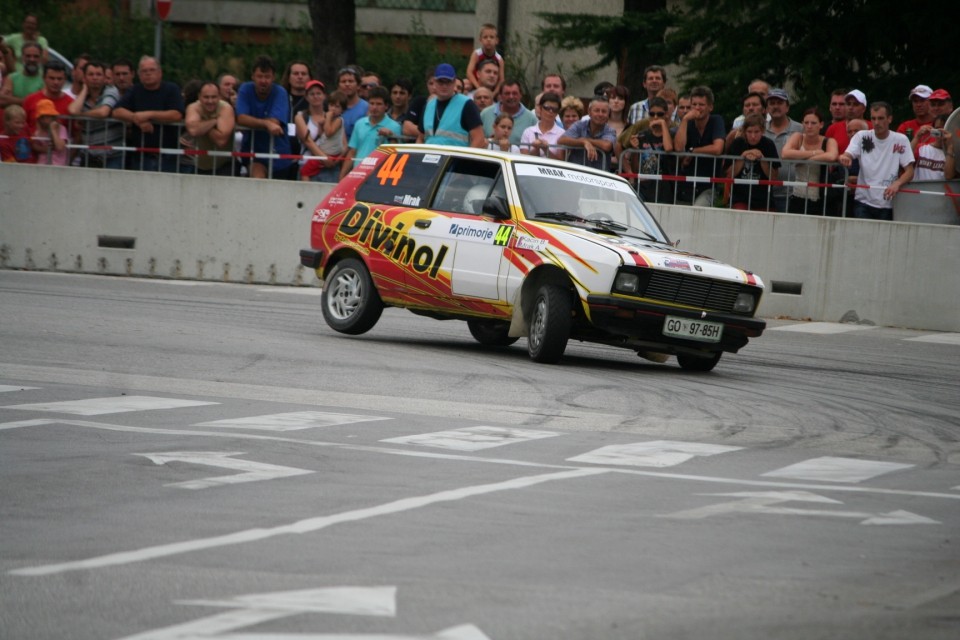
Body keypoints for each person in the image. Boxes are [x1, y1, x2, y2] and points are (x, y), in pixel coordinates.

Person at [839, 101, 915, 221]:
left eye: (880, 118)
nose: (876, 122)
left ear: (889, 119)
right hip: (863, 200)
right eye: (873, 118)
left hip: (888, 202)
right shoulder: (861, 136)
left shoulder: (901, 139)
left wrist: (897, 183)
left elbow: (909, 171)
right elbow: (848, 153)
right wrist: (845, 157)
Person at [112, 56, 184, 172]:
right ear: (139, 75)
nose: (148, 74)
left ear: (160, 72)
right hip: (140, 154)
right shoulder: (135, 90)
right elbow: (116, 111)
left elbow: (176, 114)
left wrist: (148, 115)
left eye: (152, 70)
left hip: (167, 154)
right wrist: (136, 119)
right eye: (144, 71)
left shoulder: (171, 89)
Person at [234, 55, 294, 179]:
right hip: (253, 152)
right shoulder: (245, 89)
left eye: (267, 77)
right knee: (258, 179)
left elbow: (275, 121)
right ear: (253, 76)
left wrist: (254, 121)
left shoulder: (280, 92)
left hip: (278, 153)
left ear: (273, 78)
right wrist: (266, 124)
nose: (263, 81)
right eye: (260, 76)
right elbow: (241, 118)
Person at [673, 85, 726, 206]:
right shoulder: (688, 123)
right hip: (685, 184)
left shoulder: (716, 120)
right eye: (694, 104)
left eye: (701, 105)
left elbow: (717, 148)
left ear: (710, 107)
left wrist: (693, 151)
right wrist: (685, 120)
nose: (697, 108)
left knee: (698, 208)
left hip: (708, 185)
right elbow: (679, 148)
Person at [618, 96, 676, 203]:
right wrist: (635, 149)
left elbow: (668, 148)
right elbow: (636, 167)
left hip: (664, 187)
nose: (655, 117)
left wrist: (663, 124)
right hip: (644, 186)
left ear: (666, 115)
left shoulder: (671, 133)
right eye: (652, 114)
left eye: (660, 114)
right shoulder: (643, 135)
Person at [781, 107, 839, 214]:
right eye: (806, 123)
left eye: (813, 123)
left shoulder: (828, 141)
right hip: (798, 194)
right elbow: (785, 153)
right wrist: (814, 153)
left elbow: (832, 156)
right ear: (802, 124)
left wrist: (802, 158)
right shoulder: (798, 137)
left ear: (821, 125)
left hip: (821, 196)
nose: (809, 126)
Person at [68, 60, 124, 169]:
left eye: (99, 74)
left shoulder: (111, 91)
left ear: (104, 78)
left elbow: (103, 112)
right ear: (84, 78)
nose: (95, 78)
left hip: (112, 156)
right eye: (91, 74)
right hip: (89, 155)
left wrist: (82, 115)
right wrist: (84, 90)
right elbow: (73, 111)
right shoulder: (83, 96)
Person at [418, 62, 485, 148]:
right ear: (434, 82)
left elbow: (479, 139)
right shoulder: (429, 105)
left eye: (448, 82)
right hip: (429, 159)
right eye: (440, 82)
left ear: (454, 82)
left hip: (455, 160)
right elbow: (420, 138)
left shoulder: (466, 104)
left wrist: (464, 161)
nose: (444, 86)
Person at [340, 86, 401, 178]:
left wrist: (391, 136)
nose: (374, 107)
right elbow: (352, 152)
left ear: (386, 106)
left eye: (379, 104)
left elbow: (397, 155)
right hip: (358, 173)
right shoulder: (359, 124)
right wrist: (342, 177)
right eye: (371, 103)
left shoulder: (395, 127)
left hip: (380, 176)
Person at [725, 114, 780, 211]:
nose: (753, 136)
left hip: (764, 199)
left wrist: (762, 159)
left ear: (762, 131)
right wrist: (742, 157)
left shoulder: (768, 144)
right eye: (749, 132)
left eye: (756, 132)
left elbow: (774, 177)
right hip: (740, 198)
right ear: (744, 131)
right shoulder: (738, 143)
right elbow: (729, 175)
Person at [763, 87, 803, 212]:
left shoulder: (800, 129)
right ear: (767, 108)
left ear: (787, 107)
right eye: (772, 103)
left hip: (792, 192)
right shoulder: (759, 129)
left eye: (780, 103)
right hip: (765, 192)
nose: (776, 106)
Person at [184, 81, 235, 176]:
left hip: (225, 164)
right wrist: (214, 121)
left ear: (219, 96)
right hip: (201, 165)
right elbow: (193, 131)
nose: (210, 101)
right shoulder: (193, 107)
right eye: (206, 97)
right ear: (199, 97)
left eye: (213, 97)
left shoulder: (225, 108)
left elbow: (221, 141)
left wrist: (202, 123)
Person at [298, 86, 346, 183]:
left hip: (329, 154)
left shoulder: (338, 120)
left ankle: (305, 190)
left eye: (337, 107)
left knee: (305, 171)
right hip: (324, 154)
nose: (333, 109)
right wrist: (321, 125)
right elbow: (321, 135)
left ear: (342, 110)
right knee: (307, 171)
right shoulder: (301, 116)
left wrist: (327, 118)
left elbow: (328, 133)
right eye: (332, 105)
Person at [558, 96, 616, 170]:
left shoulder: (610, 130)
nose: (600, 114)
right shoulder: (579, 125)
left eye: (604, 111)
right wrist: (583, 142)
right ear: (589, 112)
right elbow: (562, 140)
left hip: (598, 176)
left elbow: (606, 146)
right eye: (597, 110)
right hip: (575, 173)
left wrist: (586, 141)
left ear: (608, 114)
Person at [480, 79, 536, 146]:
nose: (511, 97)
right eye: (507, 93)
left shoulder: (531, 119)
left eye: (514, 93)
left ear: (521, 95)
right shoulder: (485, 114)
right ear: (500, 96)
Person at [22, 60, 72, 135]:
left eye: (59, 79)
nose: (56, 82)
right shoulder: (30, 100)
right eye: (52, 78)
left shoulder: (70, 103)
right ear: (44, 78)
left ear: (65, 80)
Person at [280, 60, 313, 159]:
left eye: (303, 74)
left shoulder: (316, 101)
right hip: (283, 150)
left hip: (307, 152)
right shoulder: (280, 98)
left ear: (310, 78)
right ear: (288, 77)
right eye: (295, 73)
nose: (300, 77)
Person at [520, 92, 564, 159]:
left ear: (558, 112)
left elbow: (561, 162)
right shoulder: (528, 132)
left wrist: (546, 149)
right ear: (540, 108)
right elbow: (522, 158)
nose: (550, 111)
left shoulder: (562, 134)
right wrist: (536, 149)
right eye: (547, 108)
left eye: (554, 109)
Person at [464, 24, 504, 95]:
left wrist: (494, 93)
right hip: (476, 84)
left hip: (491, 87)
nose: (488, 40)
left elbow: (501, 79)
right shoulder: (476, 54)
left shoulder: (499, 59)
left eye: (491, 37)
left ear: (496, 40)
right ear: (480, 40)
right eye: (485, 37)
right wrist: (478, 88)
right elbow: (469, 72)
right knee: (466, 83)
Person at [825, 89, 870, 153]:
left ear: (863, 108)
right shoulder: (833, 129)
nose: (851, 107)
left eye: (855, 104)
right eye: (848, 104)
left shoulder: (872, 128)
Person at [0, 42, 44, 107]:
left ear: (40, 58)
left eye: (36, 56)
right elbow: (2, 100)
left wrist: (12, 100)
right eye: (28, 56)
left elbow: (41, 103)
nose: (32, 59)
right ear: (22, 57)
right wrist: (30, 101)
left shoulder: (44, 79)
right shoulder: (12, 78)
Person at [911, 115, 949, 181]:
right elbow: (905, 159)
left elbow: (949, 176)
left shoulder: (953, 153)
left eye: (944, 129)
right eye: (938, 128)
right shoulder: (921, 148)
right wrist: (917, 137)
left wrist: (950, 147)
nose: (941, 132)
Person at [31, 98, 68, 165]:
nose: (47, 119)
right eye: (44, 117)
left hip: (58, 165)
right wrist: (45, 149)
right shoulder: (37, 130)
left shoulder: (61, 128)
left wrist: (53, 130)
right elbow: (34, 146)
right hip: (42, 164)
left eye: (49, 116)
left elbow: (60, 147)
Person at [336, 66, 368, 140]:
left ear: (358, 86)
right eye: (343, 82)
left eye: (351, 81)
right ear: (338, 86)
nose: (347, 84)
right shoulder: (332, 107)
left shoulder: (366, 107)